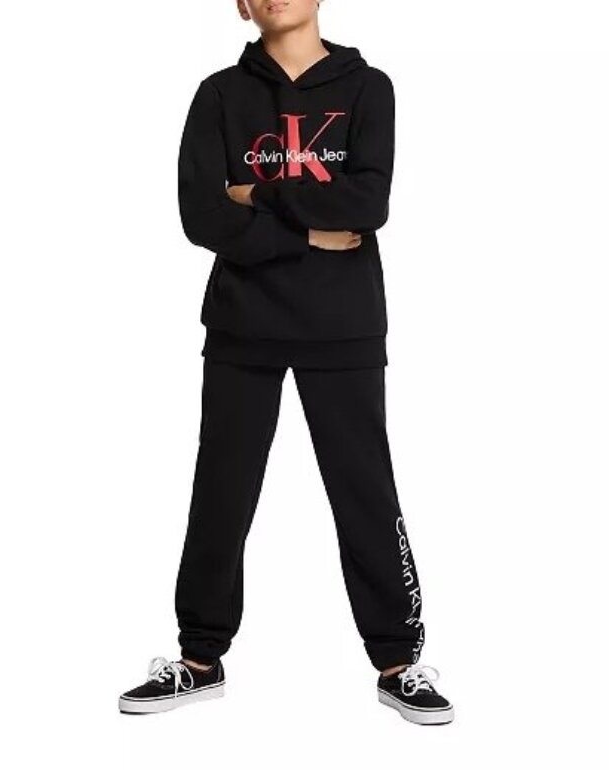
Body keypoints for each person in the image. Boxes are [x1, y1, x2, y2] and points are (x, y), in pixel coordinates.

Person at [118, 0, 454, 726]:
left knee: (363, 488)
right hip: (243, 322)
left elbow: (368, 201)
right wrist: (306, 234)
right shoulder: (219, 95)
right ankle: (199, 658)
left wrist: (260, 193)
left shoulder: (368, 88)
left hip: (343, 323)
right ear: (241, 6)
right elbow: (202, 215)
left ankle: (399, 661)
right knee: (222, 489)